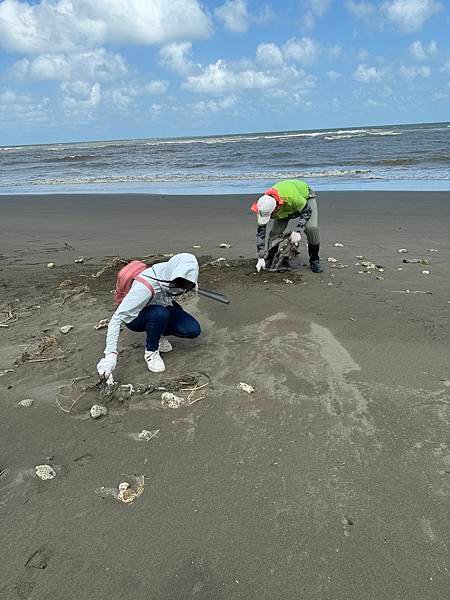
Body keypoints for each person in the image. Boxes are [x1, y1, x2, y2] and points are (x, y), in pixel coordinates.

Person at [96, 253, 200, 377]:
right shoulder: (144, 288)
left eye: (187, 285)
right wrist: (110, 356)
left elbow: (185, 278)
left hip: (161, 308)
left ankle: (157, 333)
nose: (181, 289)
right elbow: (117, 318)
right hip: (136, 318)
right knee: (159, 314)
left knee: (192, 329)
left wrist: (189, 285)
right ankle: (151, 351)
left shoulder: (175, 273)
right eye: (179, 284)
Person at [251, 179, 323, 273]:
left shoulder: (292, 197)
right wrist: (260, 257)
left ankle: (314, 260)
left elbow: (307, 211)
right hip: (285, 208)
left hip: (305, 199)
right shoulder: (263, 205)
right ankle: (270, 258)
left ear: (277, 207)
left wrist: (298, 231)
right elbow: (261, 232)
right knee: (275, 232)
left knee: (311, 228)